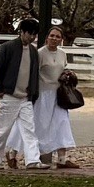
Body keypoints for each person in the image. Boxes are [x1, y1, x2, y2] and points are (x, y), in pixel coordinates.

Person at [0, 19, 43, 169]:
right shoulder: (7, 48)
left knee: (29, 130)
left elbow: (34, 74)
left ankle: (33, 160)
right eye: (29, 33)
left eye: (34, 34)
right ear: (22, 32)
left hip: (25, 97)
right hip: (9, 96)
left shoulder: (33, 52)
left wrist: (32, 94)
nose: (31, 37)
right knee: (2, 129)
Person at [33, 26, 79, 168]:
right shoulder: (40, 53)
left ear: (61, 40)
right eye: (52, 36)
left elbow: (62, 69)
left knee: (61, 123)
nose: (54, 39)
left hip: (59, 94)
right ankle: (36, 156)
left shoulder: (62, 54)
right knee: (42, 125)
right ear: (47, 37)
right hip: (44, 94)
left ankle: (62, 159)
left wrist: (68, 76)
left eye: (57, 37)